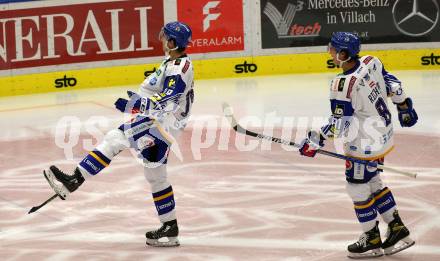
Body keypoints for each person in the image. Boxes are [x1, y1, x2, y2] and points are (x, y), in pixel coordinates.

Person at [43, 21, 194, 247]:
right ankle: (170, 227)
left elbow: (170, 100)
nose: (162, 40)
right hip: (163, 122)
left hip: (163, 124)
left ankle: (74, 180)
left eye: (166, 37)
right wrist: (138, 100)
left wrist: (137, 105)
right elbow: (158, 92)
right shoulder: (172, 62)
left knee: (116, 139)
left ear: (173, 42)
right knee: (156, 176)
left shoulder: (179, 67)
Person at [299, 32, 418, 258]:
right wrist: (404, 106)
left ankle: (371, 239)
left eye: (333, 49)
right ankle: (397, 228)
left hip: (364, 145)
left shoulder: (342, 84)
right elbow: (393, 83)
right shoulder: (371, 61)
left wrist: (315, 140)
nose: (329, 52)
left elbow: (340, 125)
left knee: (357, 187)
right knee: (372, 181)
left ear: (343, 54)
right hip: (383, 136)